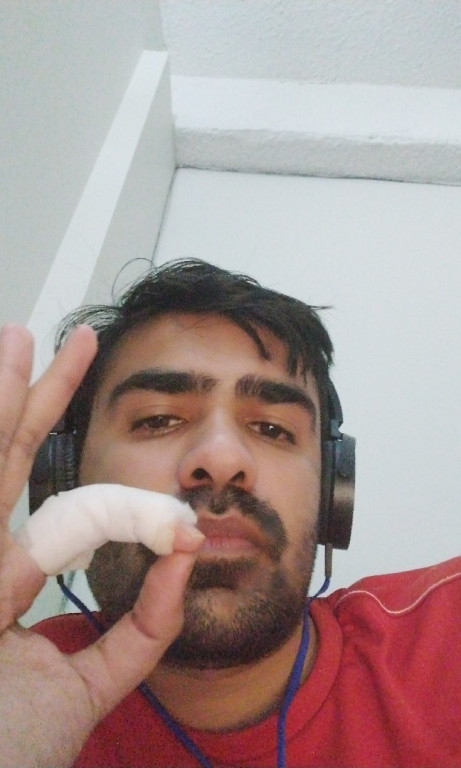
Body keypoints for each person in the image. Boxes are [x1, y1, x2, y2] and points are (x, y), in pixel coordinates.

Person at [0, 259, 459, 767]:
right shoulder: (14, 693)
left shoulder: (448, 639)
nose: (221, 460)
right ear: (65, 479)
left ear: (333, 490)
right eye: (158, 419)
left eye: (272, 429)